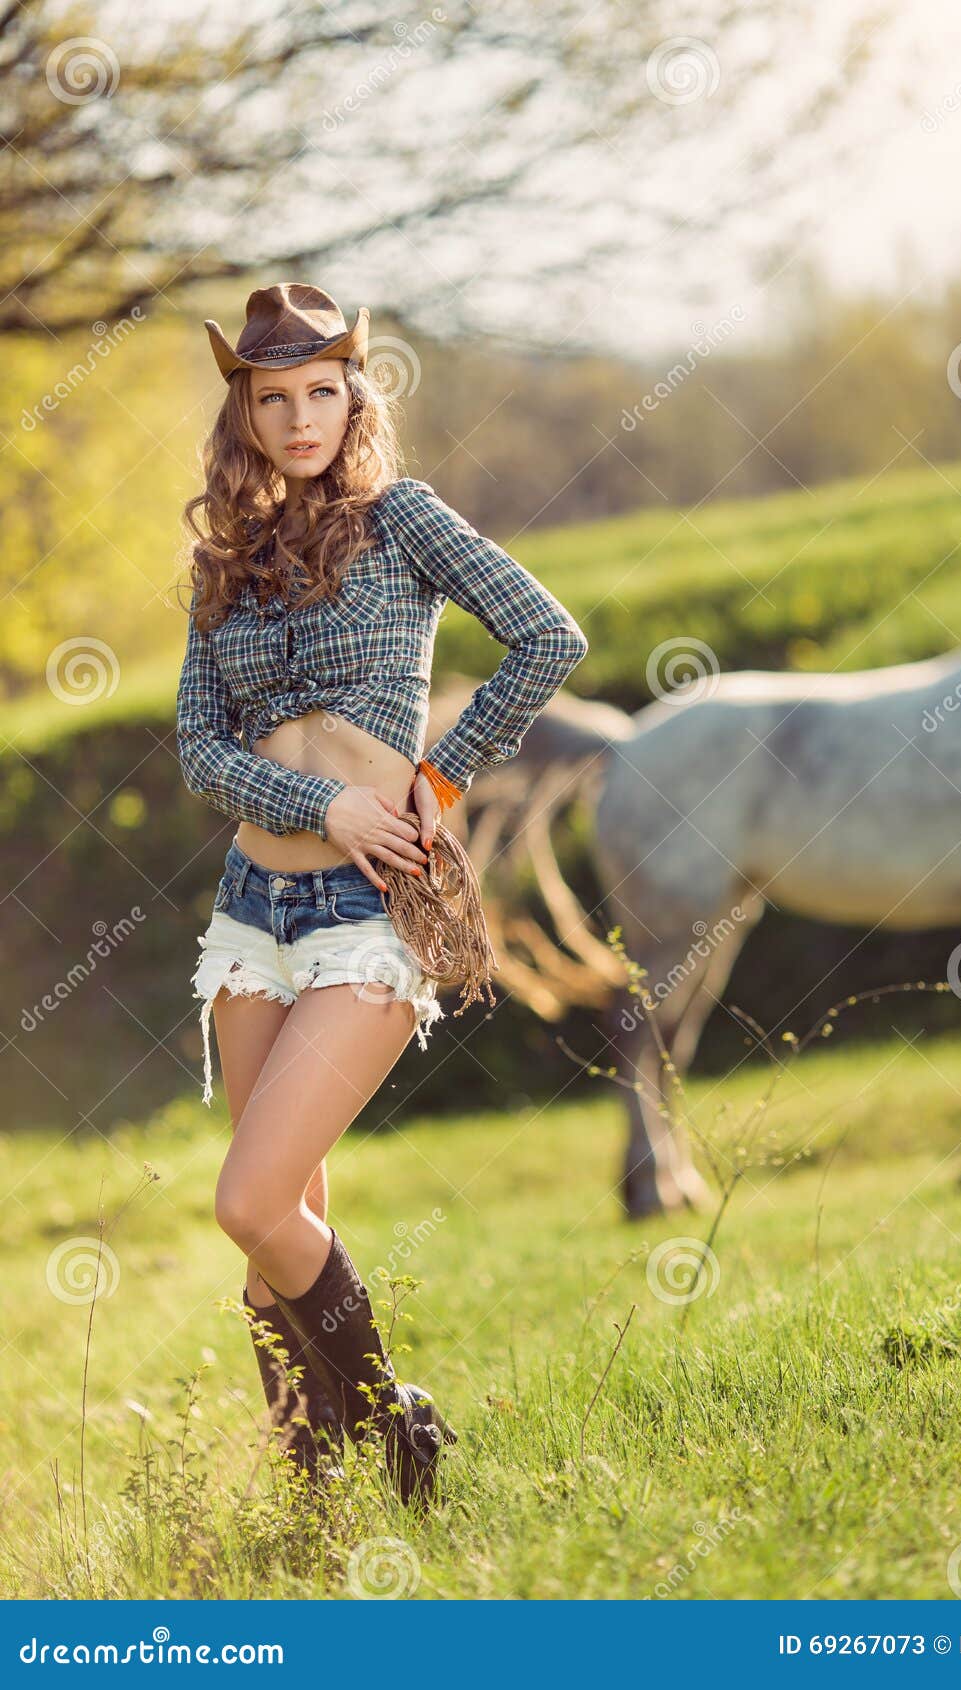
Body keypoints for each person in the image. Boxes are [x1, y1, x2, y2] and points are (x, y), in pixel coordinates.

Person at [175, 282, 589, 1503]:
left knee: (245, 1198)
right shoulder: (222, 560)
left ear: (352, 392)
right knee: (276, 1222)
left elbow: (545, 635)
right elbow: (201, 750)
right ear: (242, 413)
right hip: (256, 910)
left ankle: (391, 1419)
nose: (299, 417)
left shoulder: (401, 519)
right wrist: (320, 806)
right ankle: (315, 1487)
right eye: (271, 397)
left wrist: (437, 780)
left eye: (320, 390)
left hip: (368, 913)